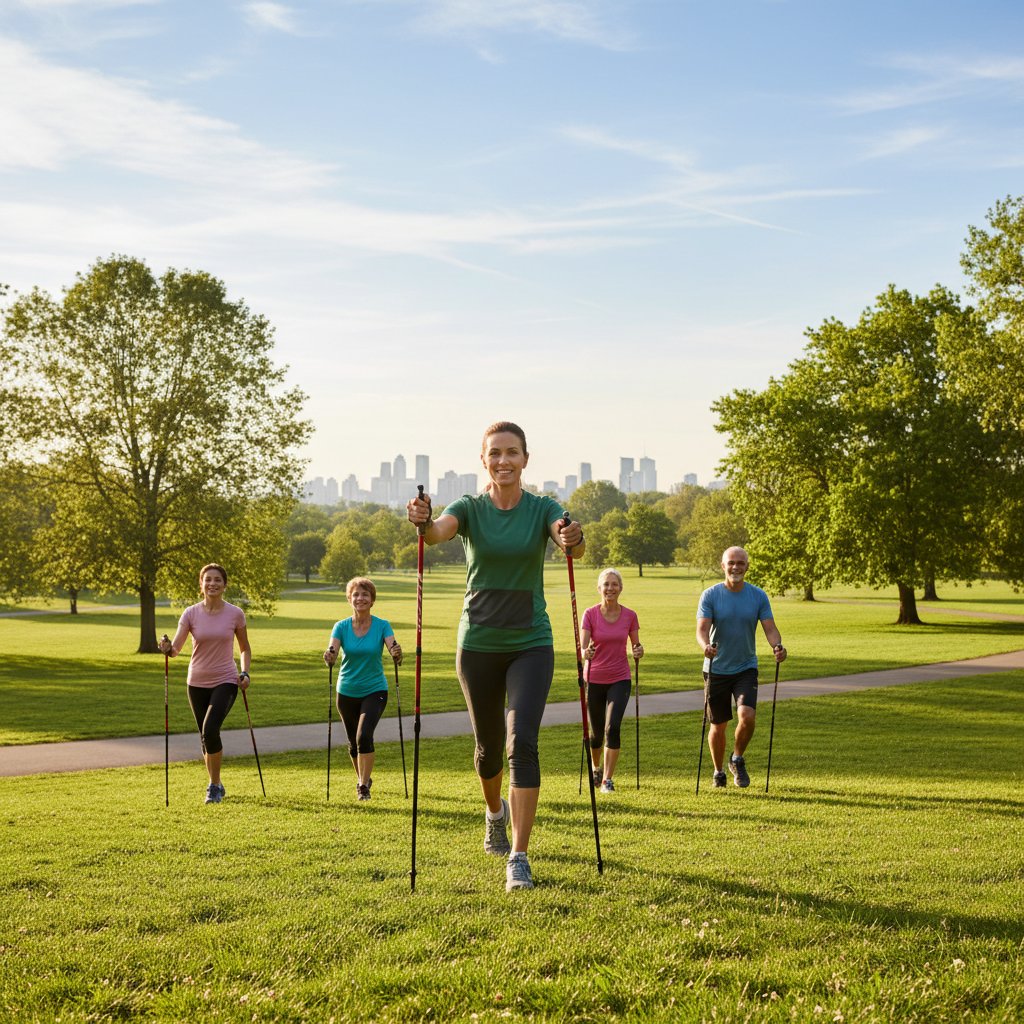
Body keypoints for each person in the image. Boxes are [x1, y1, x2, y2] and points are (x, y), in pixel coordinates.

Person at [406, 421, 584, 892]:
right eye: (495, 454)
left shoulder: (543, 507)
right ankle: (494, 814)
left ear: (526, 459)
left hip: (531, 643)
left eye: (512, 453)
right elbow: (436, 533)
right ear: (483, 460)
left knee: (520, 742)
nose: (503, 460)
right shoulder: (468, 508)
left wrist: (572, 536)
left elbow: (570, 538)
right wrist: (423, 520)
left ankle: (520, 858)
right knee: (487, 751)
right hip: (478, 645)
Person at [695, 546, 787, 789]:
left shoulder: (758, 596)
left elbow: (769, 628)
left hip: (746, 667)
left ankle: (736, 758)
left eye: (740, 563)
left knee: (747, 716)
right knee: (718, 725)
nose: (736, 567)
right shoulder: (711, 595)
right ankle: (718, 772)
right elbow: (702, 629)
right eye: (731, 562)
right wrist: (706, 646)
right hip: (716, 668)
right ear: (723, 565)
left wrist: (778, 646)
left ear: (747, 566)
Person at [159, 563, 251, 804]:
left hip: (226, 680)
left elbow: (244, 648)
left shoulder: (235, 614)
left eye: (217, 580)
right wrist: (168, 649)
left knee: (210, 730)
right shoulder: (190, 613)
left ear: (224, 584)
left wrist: (245, 672)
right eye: (208, 579)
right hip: (196, 682)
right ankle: (217, 783)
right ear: (201, 584)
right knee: (204, 736)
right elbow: (177, 648)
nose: (212, 583)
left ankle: (212, 785)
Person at [323, 576, 403, 801]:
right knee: (352, 743)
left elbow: (393, 649)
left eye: (365, 594)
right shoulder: (341, 626)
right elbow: (332, 653)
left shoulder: (382, 625)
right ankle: (364, 779)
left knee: (364, 735)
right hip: (346, 690)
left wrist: (397, 654)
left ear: (372, 599)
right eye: (356, 594)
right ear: (350, 599)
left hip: (375, 689)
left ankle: (362, 786)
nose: (360, 598)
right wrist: (329, 657)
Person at [581, 568, 643, 793]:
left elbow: (636, 645)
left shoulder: (630, 615)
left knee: (612, 727)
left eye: (614, 584)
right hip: (594, 678)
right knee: (596, 734)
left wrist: (638, 651)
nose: (610, 588)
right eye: (606, 584)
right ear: (599, 588)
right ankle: (596, 767)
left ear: (620, 588)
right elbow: (583, 646)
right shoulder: (590, 614)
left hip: (620, 678)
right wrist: (585, 653)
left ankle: (607, 779)